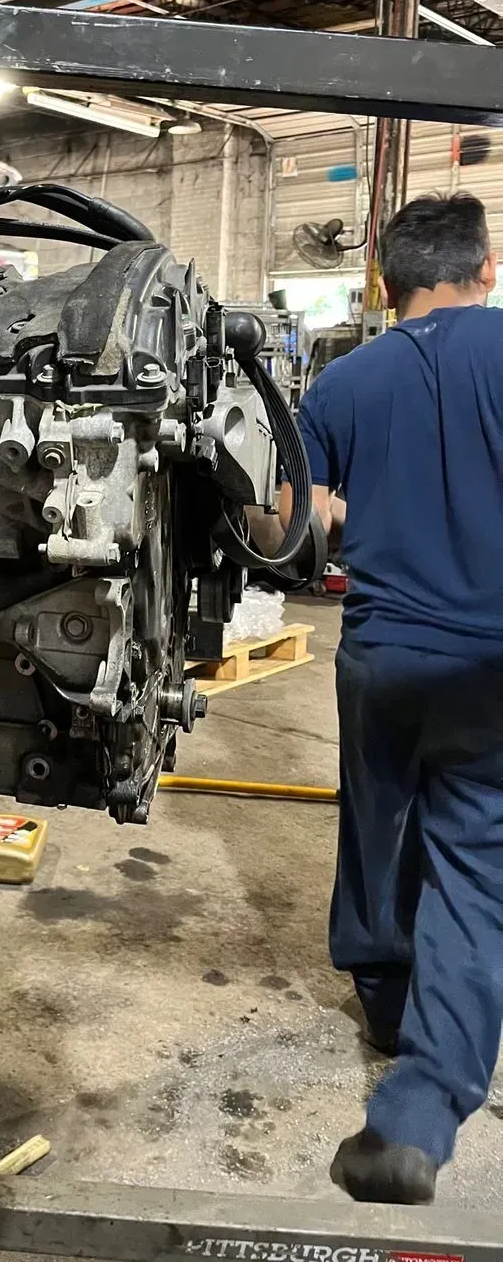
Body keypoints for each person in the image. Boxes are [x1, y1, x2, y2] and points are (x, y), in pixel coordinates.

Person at [279, 192, 503, 1206]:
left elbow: (291, 520)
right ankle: (421, 1105)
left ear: (385, 282)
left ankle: (380, 994)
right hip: (491, 668)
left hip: (379, 652)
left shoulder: (343, 380)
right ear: (485, 270)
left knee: (375, 822)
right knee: (474, 865)